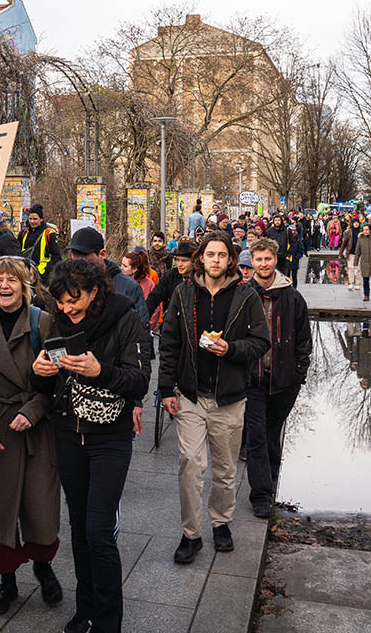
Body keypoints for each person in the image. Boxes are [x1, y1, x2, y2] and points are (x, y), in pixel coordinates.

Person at [31, 259, 150, 633]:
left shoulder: (125, 317)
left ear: (95, 291)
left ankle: (108, 621)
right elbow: (49, 388)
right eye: (61, 301)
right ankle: (85, 610)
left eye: (74, 300)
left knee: (99, 530)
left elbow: (139, 381)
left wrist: (101, 372)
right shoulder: (58, 320)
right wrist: (40, 373)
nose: (67, 308)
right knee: (80, 528)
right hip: (68, 434)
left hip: (110, 438)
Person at [158, 232, 270, 563]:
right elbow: (169, 341)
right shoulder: (184, 292)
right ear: (201, 258)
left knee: (224, 469)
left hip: (229, 398)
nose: (216, 260)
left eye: (222, 255)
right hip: (191, 395)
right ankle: (191, 534)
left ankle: (221, 522)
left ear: (230, 260)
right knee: (191, 465)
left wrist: (230, 349)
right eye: (210, 254)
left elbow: (261, 341)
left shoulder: (246, 295)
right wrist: (165, 388)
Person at [0, 258, 61, 616]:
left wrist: (33, 410)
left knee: (41, 507)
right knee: (0, 511)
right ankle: (6, 581)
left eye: (11, 280)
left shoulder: (43, 322)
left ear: (25, 286)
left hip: (37, 429)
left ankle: (43, 567)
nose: (4, 286)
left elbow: (60, 377)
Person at [244, 238, 309, 518]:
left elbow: (304, 338)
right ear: (252, 262)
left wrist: (299, 373)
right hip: (252, 379)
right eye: (258, 260)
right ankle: (261, 494)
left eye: (267, 259)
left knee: (272, 434)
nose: (263, 264)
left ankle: (270, 481)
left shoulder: (292, 297)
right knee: (256, 435)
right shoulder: (243, 294)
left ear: (275, 259)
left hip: (284, 380)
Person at [20, 204, 61, 282]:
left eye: (35, 219)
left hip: (42, 277)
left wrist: (46, 271)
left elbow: (57, 257)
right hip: (24, 274)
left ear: (41, 219)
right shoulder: (23, 233)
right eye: (30, 219)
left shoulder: (48, 234)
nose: (32, 221)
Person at [338, 222, 358, 291]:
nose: (356, 224)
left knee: (358, 269)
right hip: (350, 252)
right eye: (355, 223)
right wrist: (340, 253)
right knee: (350, 267)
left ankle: (357, 283)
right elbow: (344, 243)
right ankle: (351, 282)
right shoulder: (348, 232)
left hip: (360, 253)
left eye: (357, 222)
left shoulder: (361, 231)